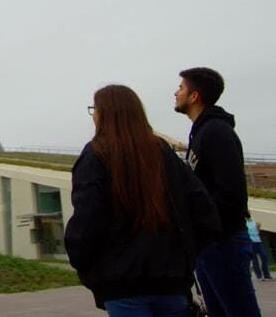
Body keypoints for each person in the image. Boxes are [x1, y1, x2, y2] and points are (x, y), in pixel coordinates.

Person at [66, 84, 221, 317]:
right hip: (171, 282)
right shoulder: (163, 152)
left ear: (105, 114)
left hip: (122, 285)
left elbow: (87, 221)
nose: (93, 116)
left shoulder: (96, 154)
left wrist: (89, 268)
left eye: (94, 110)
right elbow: (204, 211)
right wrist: (184, 258)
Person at [174, 67, 262, 317]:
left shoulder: (216, 132)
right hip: (209, 245)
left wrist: (207, 229)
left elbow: (231, 193)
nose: (176, 92)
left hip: (222, 243)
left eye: (181, 87)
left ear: (194, 96)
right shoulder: (201, 132)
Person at [245, 213, 274, 281]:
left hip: (258, 241)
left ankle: (267, 275)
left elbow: (257, 232)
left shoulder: (254, 222)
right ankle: (259, 276)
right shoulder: (245, 224)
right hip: (251, 242)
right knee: (255, 260)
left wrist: (258, 227)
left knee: (264, 257)